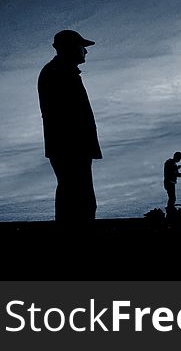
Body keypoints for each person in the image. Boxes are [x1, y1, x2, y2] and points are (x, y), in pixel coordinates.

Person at [38, 30, 102, 223]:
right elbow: (69, 115)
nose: (86, 51)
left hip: (71, 147)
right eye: (82, 46)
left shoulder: (61, 71)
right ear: (70, 47)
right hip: (71, 147)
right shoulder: (59, 72)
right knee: (79, 199)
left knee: (76, 197)